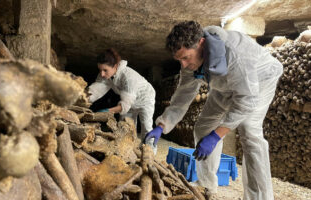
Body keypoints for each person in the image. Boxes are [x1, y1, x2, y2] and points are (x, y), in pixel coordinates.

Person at [144, 21, 283, 200]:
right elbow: (183, 95)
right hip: (224, 86)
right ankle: (206, 185)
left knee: (249, 132)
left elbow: (246, 102)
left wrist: (217, 136)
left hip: (260, 79)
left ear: (201, 43)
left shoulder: (235, 56)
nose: (184, 65)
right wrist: (162, 125)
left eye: (186, 58)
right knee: (203, 127)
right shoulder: (189, 60)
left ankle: (260, 197)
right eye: (180, 60)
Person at [88, 48, 156, 146]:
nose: (102, 74)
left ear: (115, 66)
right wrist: (84, 99)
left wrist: (107, 111)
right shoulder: (106, 75)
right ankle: (128, 151)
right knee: (125, 127)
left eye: (105, 70)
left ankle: (150, 154)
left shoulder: (128, 76)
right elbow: (96, 89)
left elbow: (125, 105)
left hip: (145, 98)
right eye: (100, 70)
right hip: (128, 100)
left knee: (146, 126)